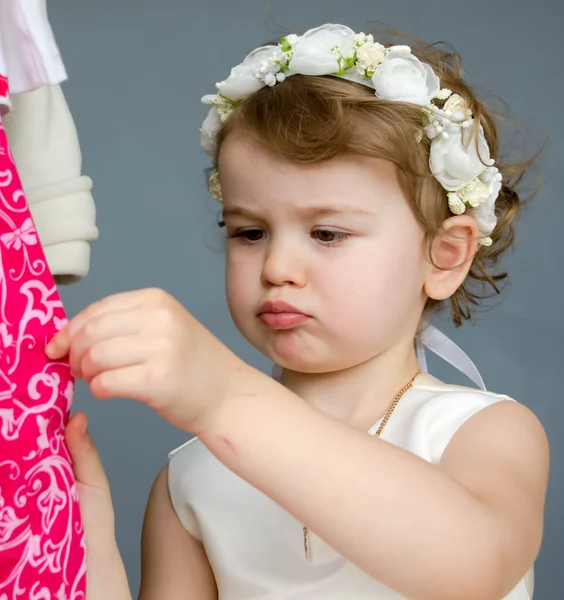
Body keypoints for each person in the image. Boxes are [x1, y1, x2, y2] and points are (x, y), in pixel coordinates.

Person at [51, 24, 549, 600]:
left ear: (444, 255)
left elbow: (473, 569)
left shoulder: (482, 433)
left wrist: (225, 397)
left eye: (328, 233)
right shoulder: (189, 481)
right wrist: (88, 563)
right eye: (251, 231)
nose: (277, 267)